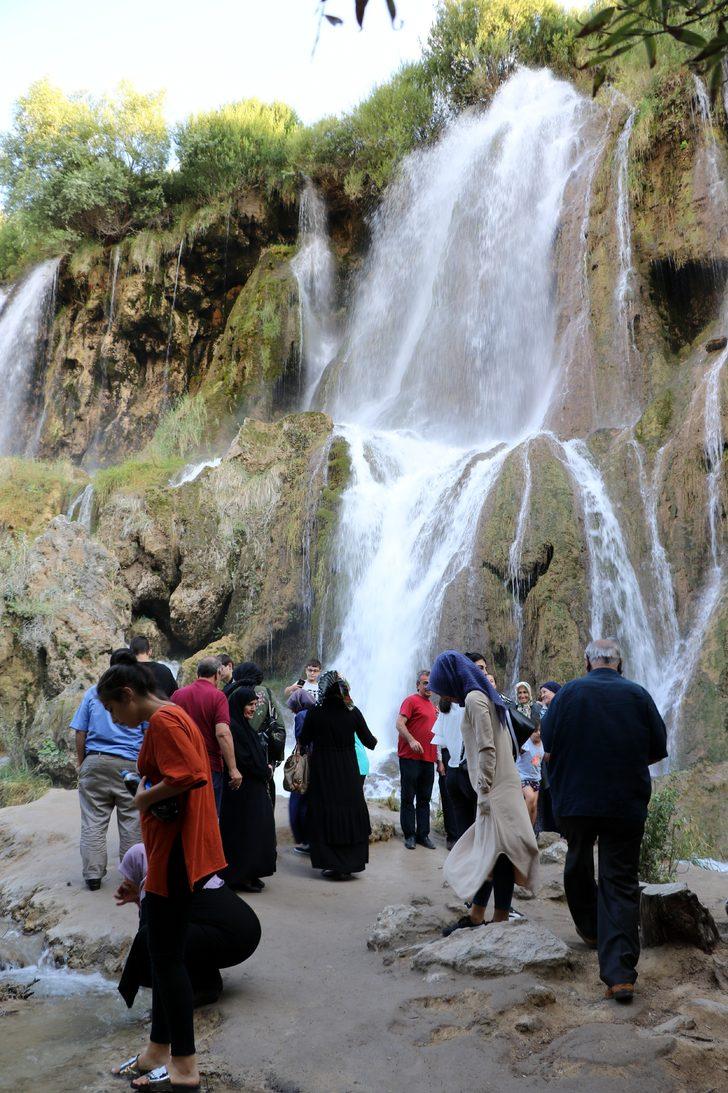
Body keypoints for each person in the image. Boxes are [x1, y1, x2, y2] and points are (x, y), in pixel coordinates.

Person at [98, 652, 226, 1092]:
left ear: (128, 695)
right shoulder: (173, 715)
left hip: (176, 854)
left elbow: (190, 774)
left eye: (114, 710)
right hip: (172, 850)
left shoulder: (165, 722)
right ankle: (157, 1049)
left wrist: (142, 800)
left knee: (168, 959)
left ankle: (185, 1065)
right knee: (159, 950)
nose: (115, 720)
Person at [541, 639, 668, 1004]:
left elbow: (547, 739)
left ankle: (590, 928)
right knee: (620, 879)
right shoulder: (638, 695)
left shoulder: (567, 695)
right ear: (620, 663)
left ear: (587, 663)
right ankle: (620, 975)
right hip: (624, 801)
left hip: (576, 800)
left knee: (577, 859)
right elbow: (657, 749)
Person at [428, 651, 539, 936]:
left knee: (494, 852)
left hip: (495, 788)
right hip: (501, 784)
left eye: (443, 688)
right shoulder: (484, 695)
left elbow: (487, 749)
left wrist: (485, 790)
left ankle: (488, 916)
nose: (446, 697)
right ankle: (487, 915)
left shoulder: (474, 700)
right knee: (496, 853)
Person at [115, 843, 261, 1017]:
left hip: (232, 940)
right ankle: (207, 981)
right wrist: (139, 899)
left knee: (158, 942)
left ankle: (202, 987)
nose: (126, 882)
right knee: (178, 932)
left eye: (129, 874)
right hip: (245, 933)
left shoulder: (155, 881)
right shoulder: (188, 867)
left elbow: (148, 936)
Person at [70, 647, 144, 891]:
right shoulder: (137, 695)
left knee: (93, 820)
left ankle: (93, 876)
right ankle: (132, 876)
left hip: (95, 761)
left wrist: (83, 763)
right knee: (131, 820)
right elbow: (148, 734)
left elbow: (80, 731)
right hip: (129, 764)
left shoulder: (94, 692)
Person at [298, 670, 377, 880]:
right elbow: (370, 741)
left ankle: (331, 863)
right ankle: (351, 863)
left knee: (325, 810)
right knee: (350, 810)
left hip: (323, 770)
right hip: (349, 770)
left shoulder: (316, 711)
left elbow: (304, 739)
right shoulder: (352, 711)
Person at [219, 685, 277, 893]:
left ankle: (252, 872)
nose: (253, 709)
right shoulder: (233, 728)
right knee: (243, 832)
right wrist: (264, 770)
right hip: (241, 790)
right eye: (249, 705)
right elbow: (243, 759)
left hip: (254, 786)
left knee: (259, 830)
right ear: (239, 705)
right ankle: (239, 876)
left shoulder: (244, 726)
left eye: (254, 705)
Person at [172, 658, 240, 817]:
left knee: (185, 816)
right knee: (208, 817)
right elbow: (222, 733)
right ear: (217, 674)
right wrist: (233, 769)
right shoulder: (218, 697)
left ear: (197, 673)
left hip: (181, 764)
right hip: (209, 766)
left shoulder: (177, 695)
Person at [225, 662, 285, 803]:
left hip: (236, 751)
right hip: (262, 754)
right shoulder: (266, 692)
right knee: (264, 789)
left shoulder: (231, 691)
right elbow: (279, 723)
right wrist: (276, 758)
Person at [396, 671, 440, 850]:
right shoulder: (411, 700)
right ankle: (409, 835)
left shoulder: (432, 706)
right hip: (410, 757)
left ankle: (423, 834)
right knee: (408, 797)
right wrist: (412, 740)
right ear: (418, 685)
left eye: (430, 684)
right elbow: (399, 723)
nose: (428, 687)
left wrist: (439, 760)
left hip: (428, 758)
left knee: (424, 798)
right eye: (424, 683)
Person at [286, 688, 317, 854]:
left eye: (292, 706)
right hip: (317, 762)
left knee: (299, 801)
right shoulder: (316, 712)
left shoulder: (301, 715)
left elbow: (301, 741)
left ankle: (304, 839)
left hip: (305, 764)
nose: (291, 710)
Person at [536, 680, 561, 834]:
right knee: (547, 793)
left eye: (545, 691)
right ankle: (549, 828)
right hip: (543, 759)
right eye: (541, 692)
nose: (542, 695)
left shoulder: (563, 709)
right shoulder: (542, 711)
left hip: (559, 759)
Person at [516, 726, 544, 827]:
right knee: (530, 797)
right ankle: (524, 827)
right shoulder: (526, 743)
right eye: (535, 731)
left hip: (536, 778)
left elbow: (545, 757)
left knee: (534, 807)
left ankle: (531, 831)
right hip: (523, 776)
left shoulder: (543, 744)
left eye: (540, 730)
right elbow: (517, 750)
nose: (538, 733)